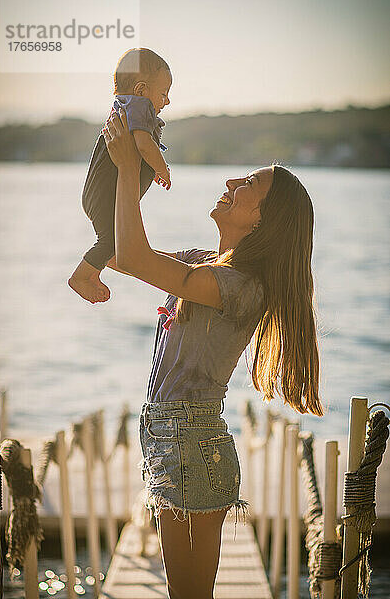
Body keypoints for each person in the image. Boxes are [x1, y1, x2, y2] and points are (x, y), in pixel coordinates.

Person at [101, 108, 324, 599]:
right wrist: (129, 159)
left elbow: (134, 257)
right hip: (171, 441)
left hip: (193, 446)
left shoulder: (241, 287)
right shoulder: (202, 263)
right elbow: (121, 253)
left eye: (248, 183)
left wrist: (126, 170)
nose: (230, 180)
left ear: (260, 219)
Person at [68, 48, 172, 304]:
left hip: (99, 193)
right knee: (112, 239)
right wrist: (162, 168)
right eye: (163, 94)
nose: (167, 101)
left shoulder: (128, 108)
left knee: (112, 240)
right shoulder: (138, 107)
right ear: (141, 89)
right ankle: (81, 277)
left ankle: (95, 269)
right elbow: (145, 145)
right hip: (105, 195)